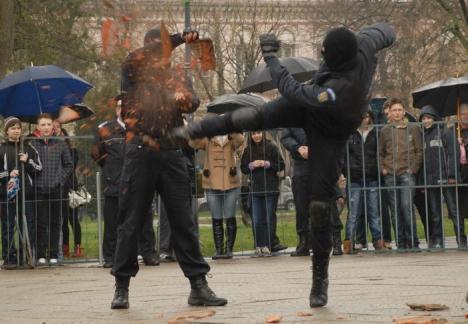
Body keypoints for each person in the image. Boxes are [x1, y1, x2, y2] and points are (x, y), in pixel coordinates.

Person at [174, 22, 396, 307]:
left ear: (335, 59)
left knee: (319, 207)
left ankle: (320, 278)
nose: (321, 56)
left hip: (328, 130)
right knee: (254, 117)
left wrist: (271, 58)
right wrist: (389, 32)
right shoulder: (363, 42)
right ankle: (193, 131)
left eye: (324, 54)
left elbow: (293, 91)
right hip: (311, 102)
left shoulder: (342, 87)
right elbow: (385, 31)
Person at [110, 26, 227, 309]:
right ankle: (121, 287)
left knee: (184, 221)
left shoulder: (176, 75)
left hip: (172, 152)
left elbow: (194, 101)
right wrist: (176, 39)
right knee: (131, 220)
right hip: (141, 150)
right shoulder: (133, 68)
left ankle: (198, 285)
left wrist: (184, 99)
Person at [91, 102, 159, 268]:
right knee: (112, 222)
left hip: (139, 182)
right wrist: (111, 170)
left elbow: (152, 150)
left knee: (144, 220)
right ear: (117, 109)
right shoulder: (105, 129)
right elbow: (96, 153)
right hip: (114, 184)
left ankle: (148, 253)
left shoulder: (143, 128)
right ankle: (110, 257)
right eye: (121, 106)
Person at [189, 131, 244, 259]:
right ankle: (219, 250)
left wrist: (231, 127)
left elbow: (240, 140)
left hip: (231, 182)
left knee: (230, 216)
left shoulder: (232, 138)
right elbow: (192, 143)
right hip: (211, 183)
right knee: (216, 217)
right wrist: (202, 128)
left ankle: (229, 250)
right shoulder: (208, 137)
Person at [379, 98, 422, 250]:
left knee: (406, 206)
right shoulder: (384, 130)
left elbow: (419, 151)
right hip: (390, 174)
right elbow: (380, 153)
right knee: (395, 210)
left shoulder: (413, 128)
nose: (397, 113)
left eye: (399, 110)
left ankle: (413, 241)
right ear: (389, 113)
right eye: (394, 110)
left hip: (406, 173)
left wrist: (413, 168)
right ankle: (401, 242)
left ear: (403, 112)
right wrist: (383, 168)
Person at [31, 113, 73, 265]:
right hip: (39, 188)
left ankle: (54, 253)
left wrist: (59, 180)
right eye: (43, 125)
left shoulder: (61, 143)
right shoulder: (32, 143)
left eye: (49, 124)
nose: (46, 127)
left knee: (56, 223)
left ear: (53, 126)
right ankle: (41, 254)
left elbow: (69, 165)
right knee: (41, 222)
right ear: (38, 127)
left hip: (56, 189)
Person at [0, 117, 42, 269]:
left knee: (28, 225)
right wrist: (8, 174)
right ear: (6, 131)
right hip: (7, 195)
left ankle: (27, 255)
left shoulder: (28, 147)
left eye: (18, 128)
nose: (16, 130)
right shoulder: (1, 148)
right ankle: (9, 257)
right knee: (7, 226)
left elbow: (38, 169)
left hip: (27, 193)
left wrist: (28, 160)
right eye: (12, 128)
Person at [417, 105, 460, 248]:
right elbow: (420, 162)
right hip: (430, 181)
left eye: (429, 117)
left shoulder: (445, 132)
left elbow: (453, 154)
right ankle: (439, 240)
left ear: (434, 118)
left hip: (446, 178)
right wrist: (423, 181)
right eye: (423, 118)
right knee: (435, 213)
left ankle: (461, 238)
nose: (426, 120)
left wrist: (452, 175)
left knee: (453, 210)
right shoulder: (421, 136)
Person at [343, 111, 383, 253]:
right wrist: (347, 171)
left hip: (371, 177)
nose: (363, 119)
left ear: (370, 118)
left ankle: (378, 240)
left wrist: (377, 170)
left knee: (374, 211)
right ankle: (348, 242)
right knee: (353, 213)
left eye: (366, 116)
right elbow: (343, 155)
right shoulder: (349, 134)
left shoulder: (376, 133)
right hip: (354, 178)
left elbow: (380, 153)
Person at [241, 131, 285, 257]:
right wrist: (251, 165)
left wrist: (267, 164)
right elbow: (243, 168)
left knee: (268, 218)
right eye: (254, 134)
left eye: (259, 133)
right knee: (257, 220)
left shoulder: (271, 147)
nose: (257, 136)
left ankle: (268, 245)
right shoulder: (248, 150)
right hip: (255, 188)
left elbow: (281, 165)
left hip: (270, 187)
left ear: (263, 133)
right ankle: (258, 246)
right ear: (251, 136)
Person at [53, 120, 83, 258]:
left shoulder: (72, 150)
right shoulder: (50, 147)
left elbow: (70, 166)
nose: (55, 129)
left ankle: (78, 246)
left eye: (57, 127)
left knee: (73, 217)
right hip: (57, 186)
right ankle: (64, 246)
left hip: (70, 186)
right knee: (62, 218)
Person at [280, 127, 311, 256]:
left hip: (320, 163)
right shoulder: (292, 117)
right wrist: (299, 148)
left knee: (322, 205)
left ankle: (325, 241)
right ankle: (303, 242)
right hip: (300, 165)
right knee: (301, 206)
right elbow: (285, 137)